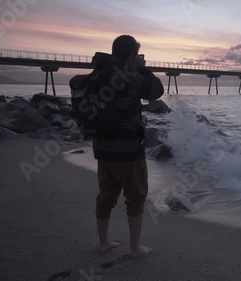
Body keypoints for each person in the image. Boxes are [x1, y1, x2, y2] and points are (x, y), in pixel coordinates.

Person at [90, 35, 164, 257]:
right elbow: (156, 91)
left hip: (102, 149)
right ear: (132, 55)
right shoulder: (129, 75)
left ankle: (103, 242)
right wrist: (143, 69)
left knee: (106, 196)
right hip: (128, 151)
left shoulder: (99, 73)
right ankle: (135, 248)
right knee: (135, 197)